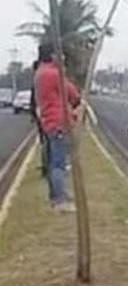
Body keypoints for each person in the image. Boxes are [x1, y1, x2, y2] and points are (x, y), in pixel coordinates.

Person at [33, 43, 81, 213]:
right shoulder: (54, 74)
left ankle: (55, 197)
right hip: (59, 122)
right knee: (58, 164)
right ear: (53, 55)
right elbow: (73, 94)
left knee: (53, 162)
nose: (63, 57)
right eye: (60, 54)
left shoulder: (40, 73)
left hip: (48, 122)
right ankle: (61, 200)